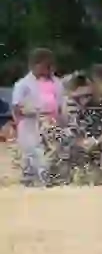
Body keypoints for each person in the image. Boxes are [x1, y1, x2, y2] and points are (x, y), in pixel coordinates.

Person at [12, 48, 64, 186]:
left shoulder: (57, 83)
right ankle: (29, 184)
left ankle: (50, 182)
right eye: (46, 66)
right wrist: (33, 112)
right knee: (33, 156)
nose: (49, 69)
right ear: (36, 65)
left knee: (52, 156)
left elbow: (60, 104)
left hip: (51, 123)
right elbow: (17, 108)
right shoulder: (23, 84)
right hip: (30, 125)